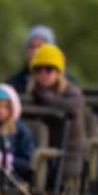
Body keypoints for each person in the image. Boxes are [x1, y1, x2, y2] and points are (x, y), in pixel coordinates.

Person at [25, 43, 86, 183]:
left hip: (67, 154)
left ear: (59, 72)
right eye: (38, 70)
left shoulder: (72, 92)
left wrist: (44, 97)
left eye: (49, 69)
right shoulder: (34, 94)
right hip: (41, 151)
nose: (43, 74)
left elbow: (71, 107)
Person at [6, 25, 56, 94]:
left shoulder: (67, 83)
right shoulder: (15, 82)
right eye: (31, 47)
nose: (35, 51)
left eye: (39, 46)